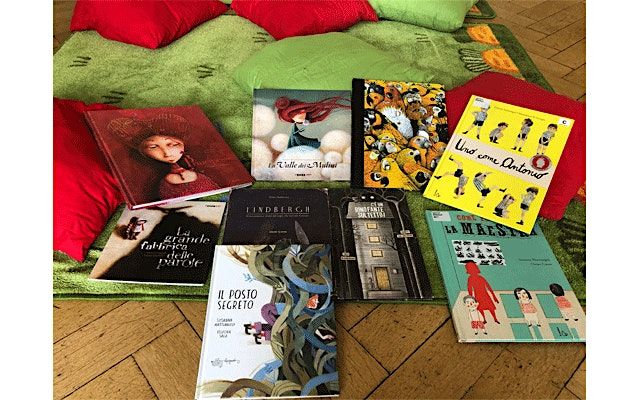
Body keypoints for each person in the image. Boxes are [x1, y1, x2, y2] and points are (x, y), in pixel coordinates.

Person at [107, 114, 220, 200]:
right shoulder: (149, 180)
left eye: (172, 144)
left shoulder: (203, 162)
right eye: (153, 147)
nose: (166, 153)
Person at [274, 95, 350, 149]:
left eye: (303, 112)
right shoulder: (295, 131)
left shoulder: (307, 120)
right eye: (297, 114)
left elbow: (318, 119)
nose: (301, 116)